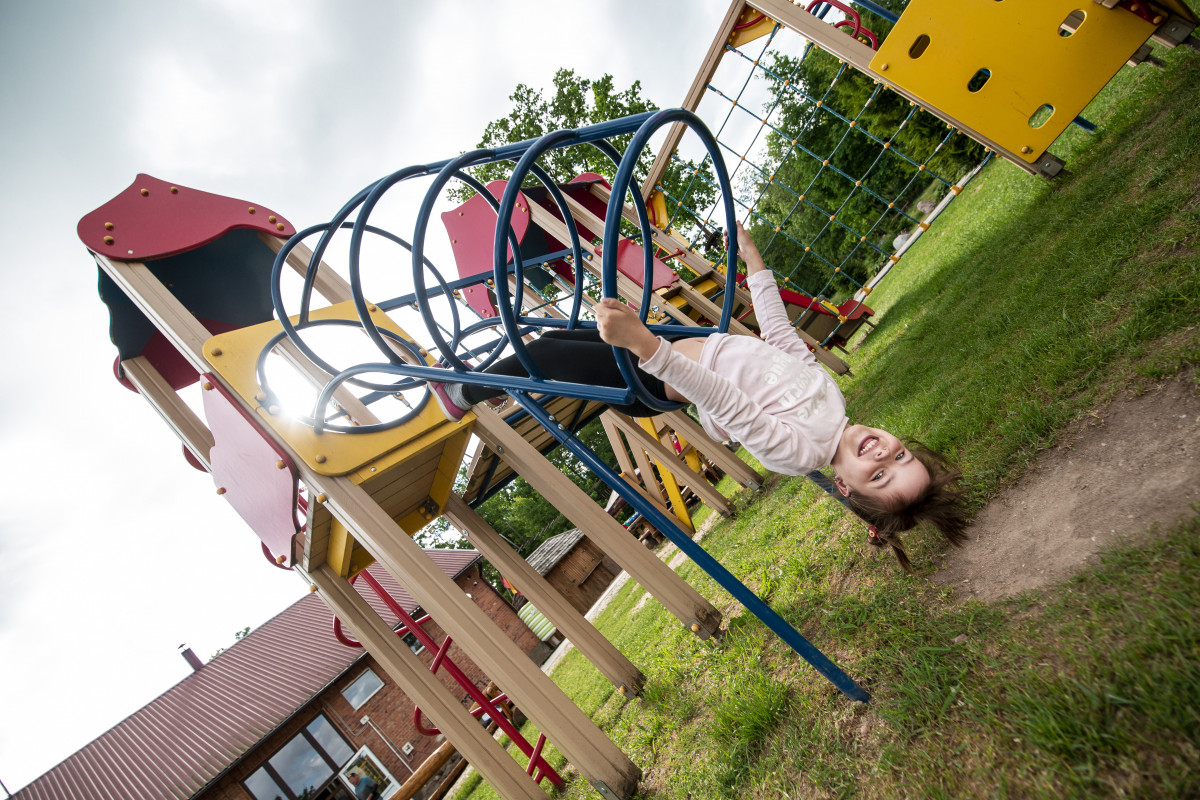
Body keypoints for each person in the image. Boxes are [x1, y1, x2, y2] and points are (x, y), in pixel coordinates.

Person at [430, 223, 967, 569]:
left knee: (549, 353)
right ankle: (473, 379)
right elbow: (779, 340)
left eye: (878, 475)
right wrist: (756, 263)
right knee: (560, 341)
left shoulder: (801, 452)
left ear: (846, 488)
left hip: (653, 378)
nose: (881, 454)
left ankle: (462, 392)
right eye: (900, 456)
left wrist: (646, 346)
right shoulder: (833, 403)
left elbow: (728, 402)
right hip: (674, 352)